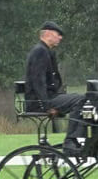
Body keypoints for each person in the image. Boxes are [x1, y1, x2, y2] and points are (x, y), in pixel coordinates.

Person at [25, 21, 83, 152]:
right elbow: (38, 81)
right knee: (81, 100)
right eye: (58, 34)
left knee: (80, 98)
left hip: (49, 98)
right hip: (40, 101)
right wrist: (47, 106)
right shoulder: (40, 51)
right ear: (48, 34)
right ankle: (71, 140)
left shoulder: (46, 51)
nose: (60, 37)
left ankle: (75, 138)